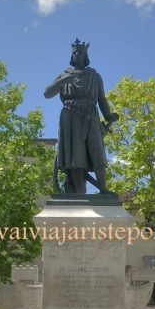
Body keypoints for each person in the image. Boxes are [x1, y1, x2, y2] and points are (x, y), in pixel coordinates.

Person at [44, 38, 119, 194]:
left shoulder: (94, 76)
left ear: (85, 55)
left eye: (80, 52)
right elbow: (47, 93)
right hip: (70, 117)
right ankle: (79, 192)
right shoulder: (64, 75)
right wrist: (64, 80)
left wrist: (109, 115)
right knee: (75, 157)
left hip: (91, 116)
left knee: (97, 152)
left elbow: (102, 99)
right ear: (72, 55)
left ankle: (103, 190)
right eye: (75, 52)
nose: (77, 54)